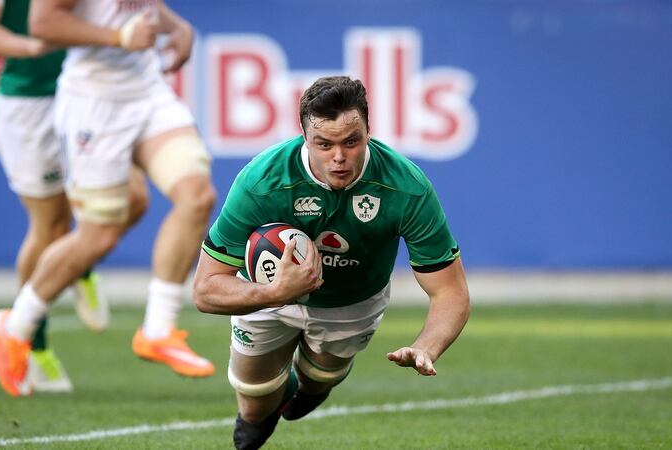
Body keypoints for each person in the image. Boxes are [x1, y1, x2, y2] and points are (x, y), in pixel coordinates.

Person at [192, 76, 471, 449]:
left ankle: (305, 386)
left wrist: (426, 346)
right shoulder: (263, 182)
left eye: (351, 142)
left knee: (317, 382)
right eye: (324, 144)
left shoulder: (406, 188)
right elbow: (205, 290)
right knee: (256, 403)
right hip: (267, 297)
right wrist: (276, 291)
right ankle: (268, 403)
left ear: (369, 132)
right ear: (304, 138)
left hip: (352, 304)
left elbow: (450, 291)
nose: (338, 157)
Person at [0, 0, 218, 396]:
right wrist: (118, 37)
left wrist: (178, 26)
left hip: (148, 90)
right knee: (98, 235)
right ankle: (16, 324)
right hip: (94, 102)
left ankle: (158, 329)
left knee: (197, 196)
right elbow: (42, 20)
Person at [0, 0, 149, 393]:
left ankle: (79, 263)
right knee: (51, 227)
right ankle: (32, 347)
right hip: (30, 102)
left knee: (134, 200)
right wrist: (29, 45)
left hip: (89, 92)